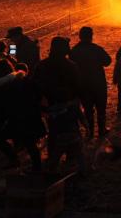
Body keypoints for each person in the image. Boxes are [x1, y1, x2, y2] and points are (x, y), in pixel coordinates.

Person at [34, 37, 86, 174]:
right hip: (68, 105)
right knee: (72, 132)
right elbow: (78, 86)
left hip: (50, 106)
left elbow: (36, 85)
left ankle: (53, 160)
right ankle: (71, 159)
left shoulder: (42, 65)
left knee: (54, 133)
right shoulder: (71, 66)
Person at [0, 60, 45, 170]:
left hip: (13, 120)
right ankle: (37, 167)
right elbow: (38, 95)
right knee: (30, 143)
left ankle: (13, 158)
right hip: (31, 117)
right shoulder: (24, 80)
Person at [70, 26, 112, 138]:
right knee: (101, 108)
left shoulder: (74, 51)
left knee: (88, 110)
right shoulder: (96, 49)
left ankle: (90, 132)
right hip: (98, 83)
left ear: (80, 36)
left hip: (83, 85)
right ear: (91, 36)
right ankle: (102, 130)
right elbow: (108, 61)